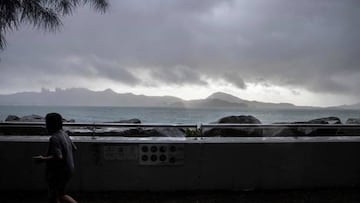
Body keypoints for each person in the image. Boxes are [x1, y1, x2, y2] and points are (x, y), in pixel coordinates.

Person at [33, 113, 78, 203]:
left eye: (46, 123)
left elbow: (58, 157)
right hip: (68, 169)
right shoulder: (65, 134)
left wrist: (42, 159)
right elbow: (74, 148)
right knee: (59, 194)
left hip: (60, 172)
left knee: (57, 195)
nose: (45, 126)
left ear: (51, 125)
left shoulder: (54, 138)